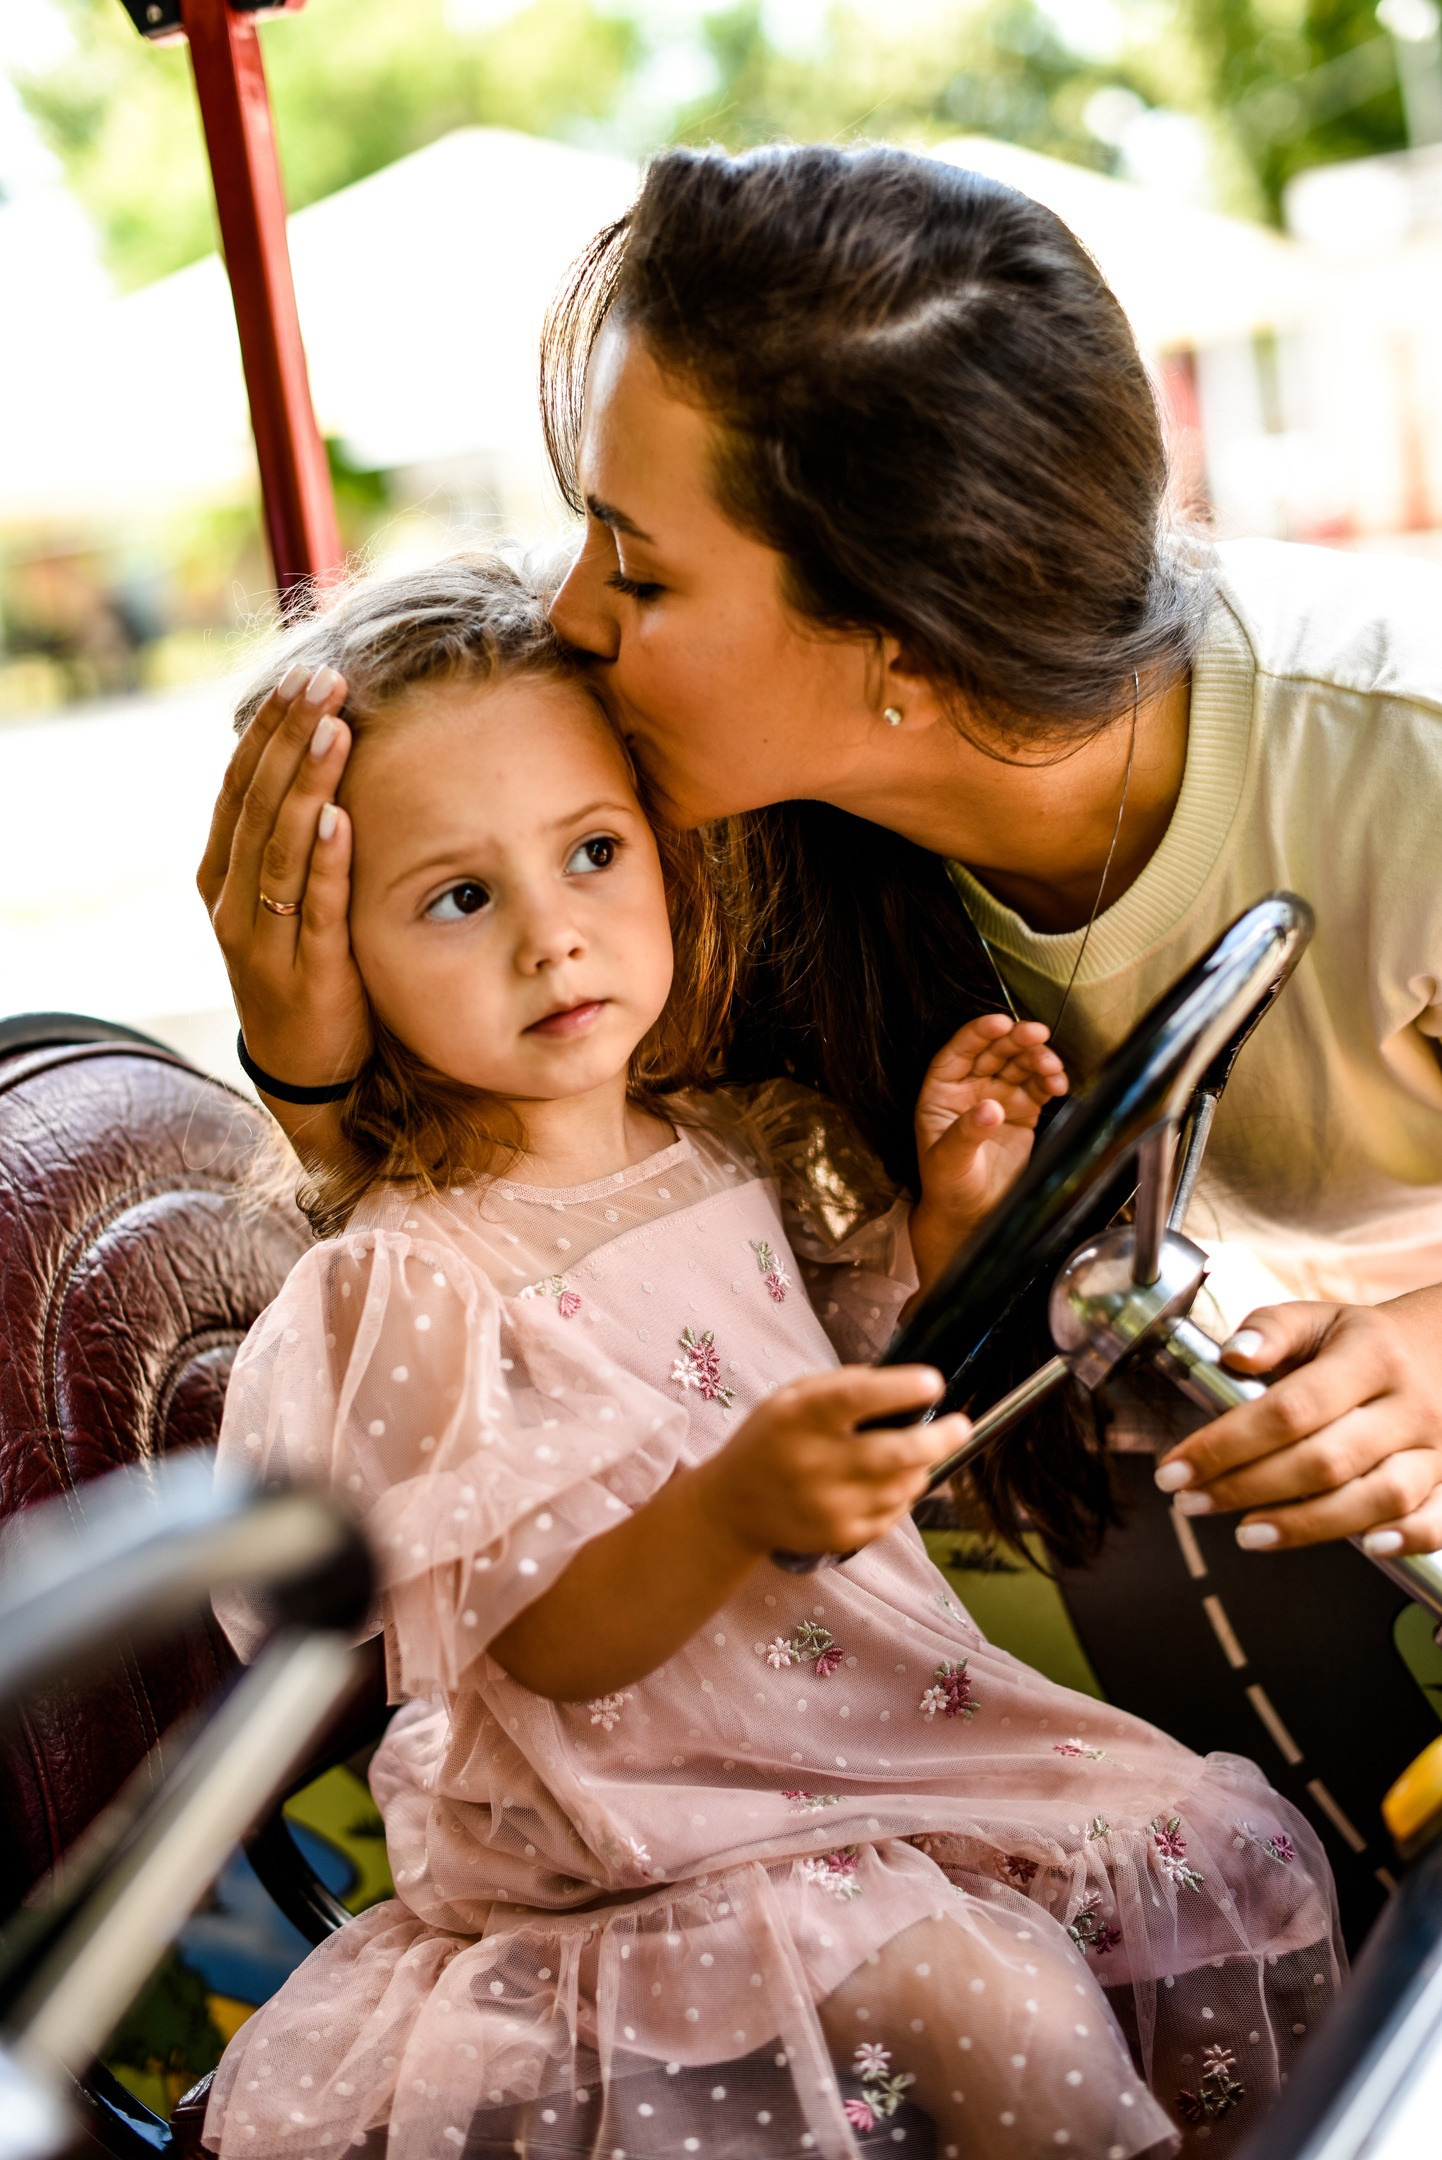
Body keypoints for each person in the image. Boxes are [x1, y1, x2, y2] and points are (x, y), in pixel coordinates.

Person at [203, 557, 1338, 2160]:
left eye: (591, 854)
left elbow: (836, 1379)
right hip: (653, 1820)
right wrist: (732, 1506)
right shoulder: (409, 1279)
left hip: (856, 1735)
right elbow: (545, 1644)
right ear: (340, 958)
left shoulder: (722, 1148)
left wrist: (949, 1223)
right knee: (999, 2010)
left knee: (1208, 1843)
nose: (553, 939)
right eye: (459, 898)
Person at [200, 143, 1442, 1573]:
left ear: (904, 645)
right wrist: (311, 1071)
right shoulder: (674, 794)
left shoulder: (1404, 765)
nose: (573, 610)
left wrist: (1423, 1352)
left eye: (640, 569)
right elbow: (508, 1232)